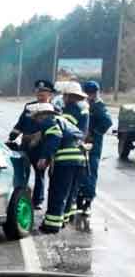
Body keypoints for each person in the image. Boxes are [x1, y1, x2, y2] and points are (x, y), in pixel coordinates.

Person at [31, 103, 87, 234]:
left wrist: (44, 157)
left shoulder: (49, 121)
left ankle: (51, 225)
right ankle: (63, 220)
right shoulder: (64, 121)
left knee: (58, 193)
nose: (36, 121)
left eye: (36, 118)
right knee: (69, 193)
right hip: (80, 160)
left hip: (65, 162)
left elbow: (55, 136)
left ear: (42, 114)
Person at [8, 80, 59, 210]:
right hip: (25, 144)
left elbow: (55, 132)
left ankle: (38, 200)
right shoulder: (29, 107)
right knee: (23, 172)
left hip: (41, 147)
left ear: (50, 95)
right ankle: (21, 197)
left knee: (39, 174)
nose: (40, 95)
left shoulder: (54, 110)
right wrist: (12, 137)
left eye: (43, 92)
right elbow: (20, 124)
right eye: (38, 92)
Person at [76, 80, 113, 218]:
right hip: (81, 142)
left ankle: (87, 202)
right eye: (89, 93)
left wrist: (94, 134)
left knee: (90, 172)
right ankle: (79, 199)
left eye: (93, 93)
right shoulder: (84, 105)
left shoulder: (98, 106)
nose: (91, 95)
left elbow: (107, 122)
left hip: (93, 145)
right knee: (80, 171)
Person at [60, 81, 90, 223]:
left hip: (66, 154)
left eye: (65, 96)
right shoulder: (84, 108)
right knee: (72, 191)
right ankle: (68, 216)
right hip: (80, 156)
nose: (63, 99)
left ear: (69, 96)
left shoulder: (71, 109)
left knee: (62, 191)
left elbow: (63, 131)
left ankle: (59, 220)